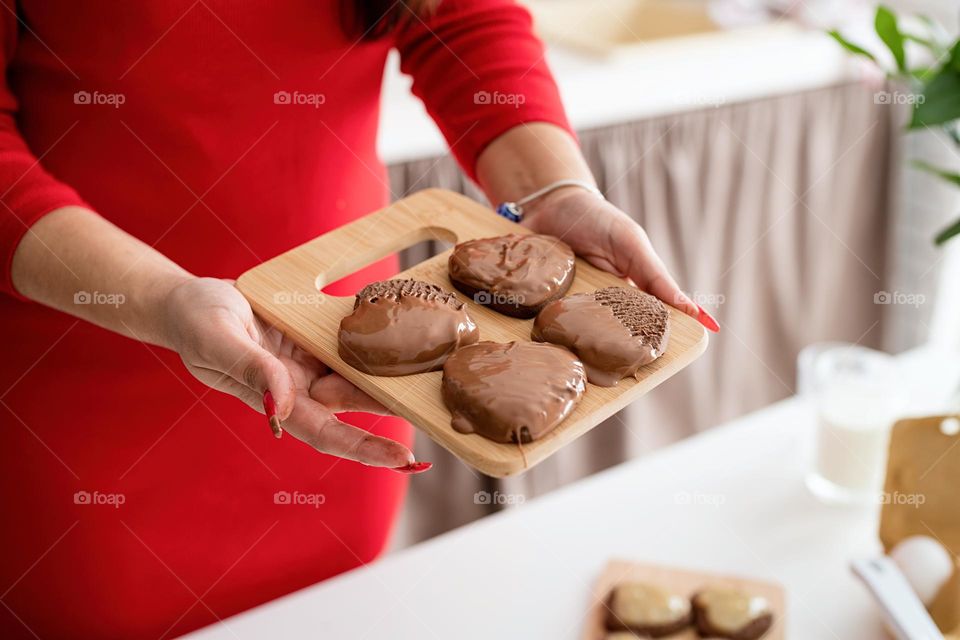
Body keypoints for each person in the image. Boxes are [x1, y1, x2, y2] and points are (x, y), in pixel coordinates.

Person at [0, 0, 717, 637]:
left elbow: (460, 18)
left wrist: (554, 192)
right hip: (97, 392)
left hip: (360, 351)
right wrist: (162, 300)